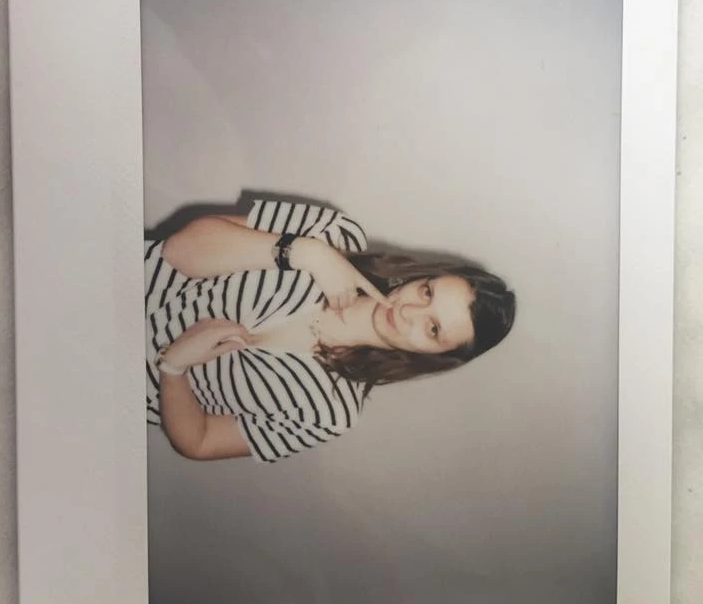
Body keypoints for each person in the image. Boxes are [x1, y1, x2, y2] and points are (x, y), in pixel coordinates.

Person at [146, 199, 515, 464]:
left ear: (437, 356)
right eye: (427, 292)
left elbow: (200, 441)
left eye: (433, 329)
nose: (408, 312)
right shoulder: (337, 236)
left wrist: (174, 368)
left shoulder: (329, 412)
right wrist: (306, 254)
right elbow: (180, 250)